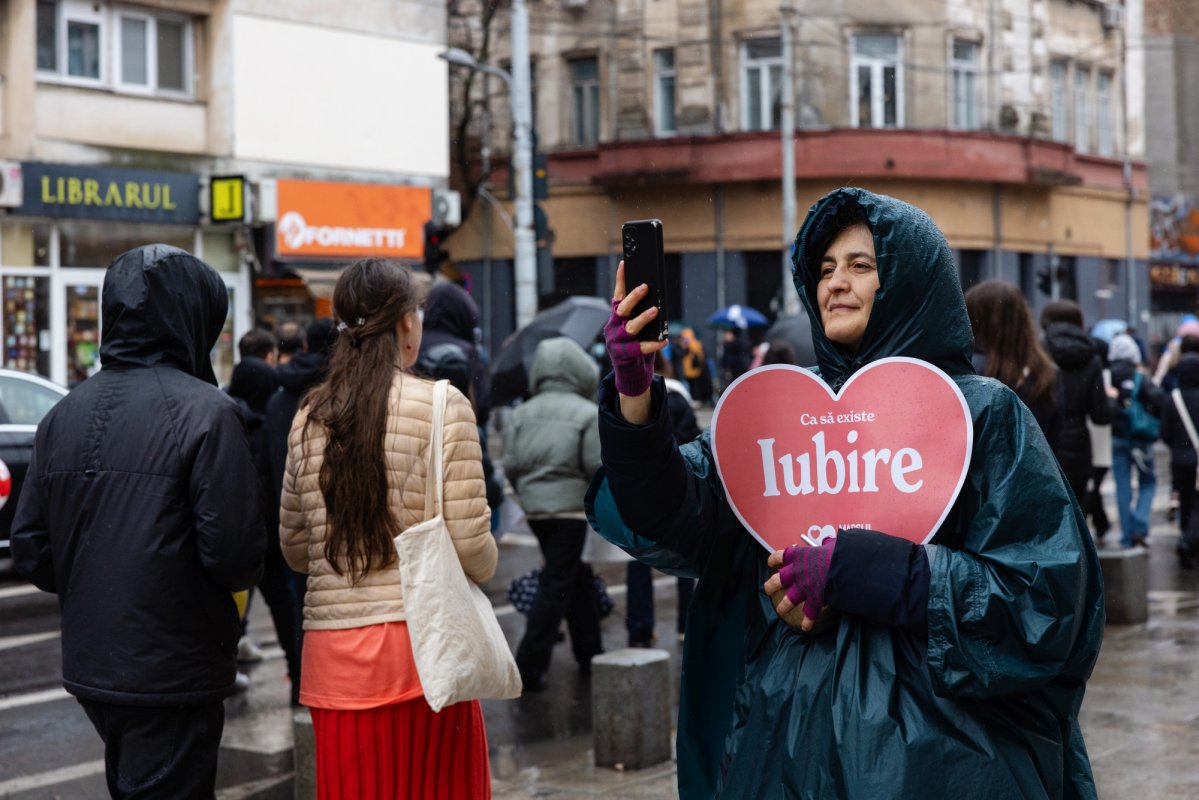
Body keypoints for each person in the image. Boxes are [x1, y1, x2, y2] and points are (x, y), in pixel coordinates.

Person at [587, 188, 1103, 798]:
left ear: (911, 278)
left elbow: (1045, 603)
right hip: (785, 752)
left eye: (861, 265)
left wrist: (870, 571)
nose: (836, 282)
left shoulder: (983, 415)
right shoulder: (774, 413)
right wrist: (634, 396)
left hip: (942, 764)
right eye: (824, 269)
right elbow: (674, 518)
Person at [11, 244, 266, 798]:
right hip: (176, 664)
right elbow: (236, 556)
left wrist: (98, 580)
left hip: (93, 660)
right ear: (192, 320)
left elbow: (31, 547)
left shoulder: (63, 414)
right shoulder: (207, 413)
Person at [280, 259, 495, 797]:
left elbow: (296, 550)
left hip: (333, 664)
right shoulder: (444, 405)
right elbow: (475, 550)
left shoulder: (310, 416)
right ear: (405, 322)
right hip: (425, 654)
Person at [503, 336, 604, 690]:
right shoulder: (586, 412)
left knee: (575, 578)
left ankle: (591, 653)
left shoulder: (521, 412)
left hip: (535, 510)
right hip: (571, 510)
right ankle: (529, 665)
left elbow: (511, 465)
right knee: (559, 583)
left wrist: (530, 491)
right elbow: (595, 465)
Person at [626, 352, 700, 647]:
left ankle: (640, 626)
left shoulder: (634, 400)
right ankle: (685, 623)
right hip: (679, 489)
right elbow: (694, 441)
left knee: (639, 559)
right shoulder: (680, 398)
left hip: (643, 490)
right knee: (684, 558)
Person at [965, 280, 1060, 441]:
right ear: (1023, 319)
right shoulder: (1045, 373)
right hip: (1032, 464)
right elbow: (1054, 436)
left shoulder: (967, 370)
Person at [1108, 332, 1163, 549]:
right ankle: (1140, 526)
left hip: (1117, 436)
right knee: (1147, 481)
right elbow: (1159, 400)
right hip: (1140, 437)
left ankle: (1126, 535)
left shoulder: (1107, 375)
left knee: (1122, 486)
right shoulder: (1140, 376)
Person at [420, 280, 491, 425]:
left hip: (417, 429)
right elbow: (482, 406)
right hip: (458, 431)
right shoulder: (467, 350)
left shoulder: (413, 345)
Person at [1160, 335, 1199, 567]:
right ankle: (1188, 541)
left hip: (1179, 460)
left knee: (1185, 501)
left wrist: (1177, 446)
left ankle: (1186, 535)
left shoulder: (1171, 398)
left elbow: (1165, 432)